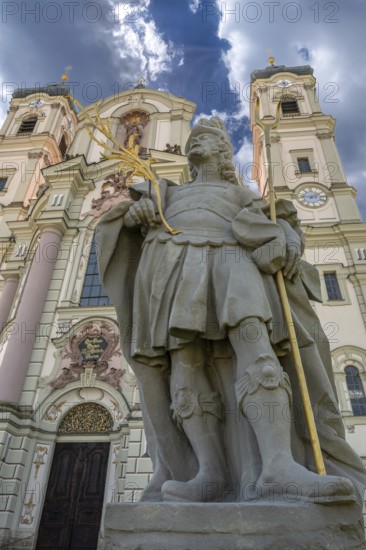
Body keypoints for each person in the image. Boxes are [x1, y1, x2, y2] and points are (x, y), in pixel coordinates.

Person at [96, 117, 366, 506]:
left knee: (258, 349)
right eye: (194, 139)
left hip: (232, 261)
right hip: (173, 264)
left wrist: (287, 237)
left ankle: (278, 466)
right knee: (185, 362)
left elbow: (283, 224)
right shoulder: (166, 192)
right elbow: (126, 222)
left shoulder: (243, 196)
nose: (197, 143)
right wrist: (134, 216)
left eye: (207, 138)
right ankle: (208, 474)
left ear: (224, 152)